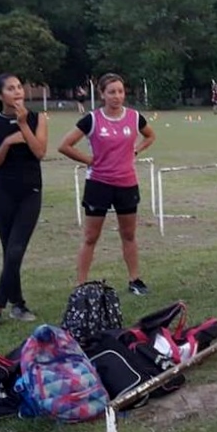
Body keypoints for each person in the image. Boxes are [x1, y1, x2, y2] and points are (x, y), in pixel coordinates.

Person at [58, 73, 156, 294]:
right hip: (99, 184)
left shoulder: (134, 117)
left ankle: (135, 280)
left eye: (120, 91)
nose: (117, 96)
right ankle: (81, 285)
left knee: (129, 235)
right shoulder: (92, 119)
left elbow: (150, 135)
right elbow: (65, 145)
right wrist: (89, 160)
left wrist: (137, 149)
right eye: (111, 92)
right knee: (91, 237)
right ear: (102, 94)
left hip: (127, 183)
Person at [0, 73, 48, 329]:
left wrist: (23, 125)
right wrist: (6, 142)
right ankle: (18, 304)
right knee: (10, 252)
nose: (18, 92)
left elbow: (39, 152)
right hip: (2, 196)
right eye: (10, 88)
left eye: (19, 87)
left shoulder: (38, 118)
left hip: (30, 193)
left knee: (15, 251)